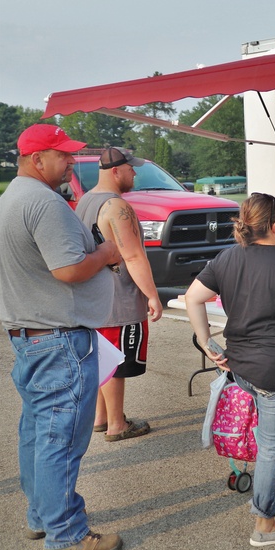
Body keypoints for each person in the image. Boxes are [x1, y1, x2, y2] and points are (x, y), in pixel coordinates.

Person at [0, 123, 124, 550]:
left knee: (38, 433)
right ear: (38, 159)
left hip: (32, 336)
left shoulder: (11, 198)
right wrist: (108, 254)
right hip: (59, 339)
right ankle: (67, 534)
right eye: (64, 154)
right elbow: (68, 270)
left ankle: (42, 515)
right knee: (61, 439)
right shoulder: (44, 203)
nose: (73, 161)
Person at [184, 192, 275, 547]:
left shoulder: (227, 258)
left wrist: (206, 341)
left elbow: (192, 297)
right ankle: (265, 524)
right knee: (272, 445)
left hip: (242, 367)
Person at [74, 147, 163, 442]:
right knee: (113, 362)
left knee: (98, 357)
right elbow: (134, 256)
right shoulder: (116, 206)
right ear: (116, 171)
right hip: (117, 299)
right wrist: (151, 295)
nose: (135, 173)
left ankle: (100, 418)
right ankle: (116, 424)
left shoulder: (85, 200)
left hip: (92, 298)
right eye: (131, 169)